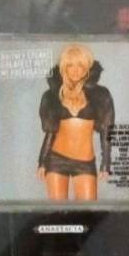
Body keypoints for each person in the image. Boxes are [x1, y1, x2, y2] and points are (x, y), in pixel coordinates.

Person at [38, 44, 114, 200]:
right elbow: (51, 132)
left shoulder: (101, 95)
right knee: (57, 212)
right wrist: (42, 161)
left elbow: (106, 131)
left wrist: (106, 162)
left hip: (85, 162)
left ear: (87, 67)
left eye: (80, 65)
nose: (75, 70)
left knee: (87, 211)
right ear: (63, 67)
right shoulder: (52, 95)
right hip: (56, 159)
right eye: (70, 65)